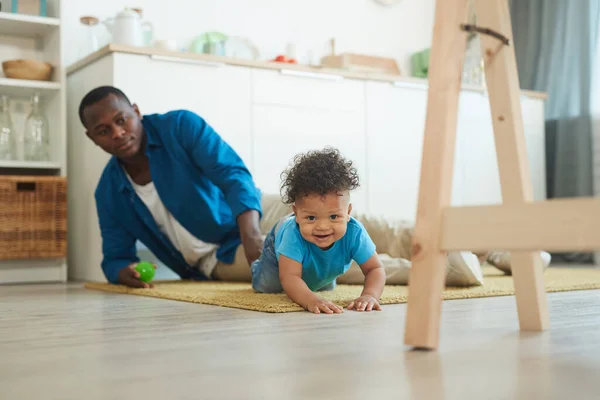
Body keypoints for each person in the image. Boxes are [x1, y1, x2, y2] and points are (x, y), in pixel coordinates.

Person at [79, 86, 264, 288]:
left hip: (250, 214)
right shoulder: (108, 193)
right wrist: (124, 272)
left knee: (300, 205)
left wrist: (252, 235)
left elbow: (232, 174)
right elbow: (116, 258)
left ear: (136, 111)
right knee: (289, 260)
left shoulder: (180, 126)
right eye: (103, 131)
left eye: (121, 120)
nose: (117, 133)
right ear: (92, 138)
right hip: (218, 256)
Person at [251, 147, 387, 314]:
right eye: (311, 218)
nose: (322, 227)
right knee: (267, 285)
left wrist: (370, 295)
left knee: (321, 285)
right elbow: (289, 277)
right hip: (277, 245)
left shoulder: (355, 233)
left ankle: (320, 277)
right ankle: (256, 266)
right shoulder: (292, 233)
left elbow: (375, 269)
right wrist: (310, 300)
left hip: (316, 262)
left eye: (334, 217)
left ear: (348, 212)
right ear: (297, 214)